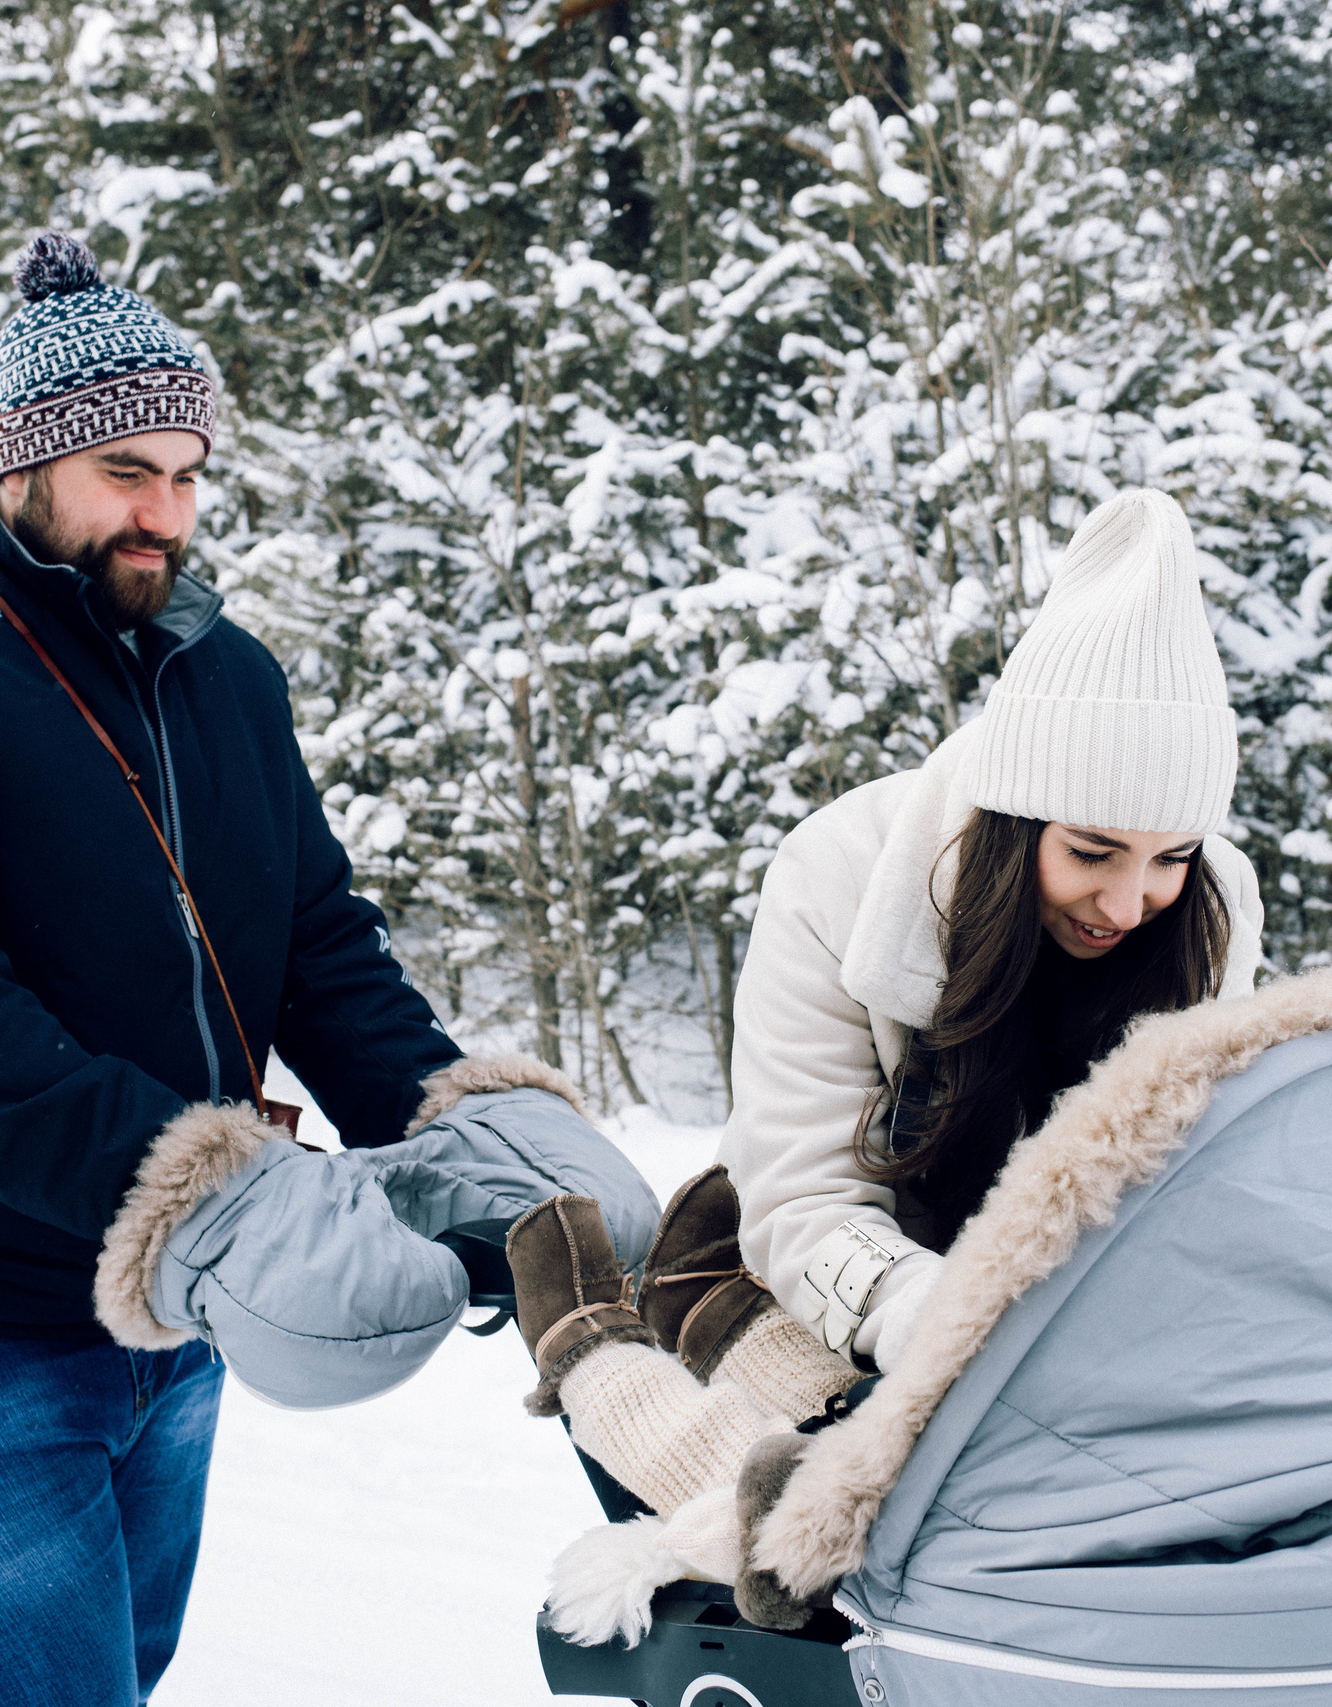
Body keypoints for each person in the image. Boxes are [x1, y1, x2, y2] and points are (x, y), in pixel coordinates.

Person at [0, 231, 652, 1706]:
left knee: (116, 1678)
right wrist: (212, 1192)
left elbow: (316, 950)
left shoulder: (224, 671)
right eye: (123, 473)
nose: (162, 514)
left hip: (168, 1314)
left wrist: (466, 1126)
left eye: (187, 473)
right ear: (16, 459)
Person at [502, 488, 1268, 1637]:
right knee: (878, 1503)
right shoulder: (841, 874)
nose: (1130, 898)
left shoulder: (1210, 910)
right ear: (1017, 822)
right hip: (802, 1263)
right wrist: (945, 1317)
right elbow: (802, 1191)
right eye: (1093, 851)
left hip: (1065, 1309)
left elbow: (1206, 1175)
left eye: (1169, 857)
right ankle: (610, 1358)